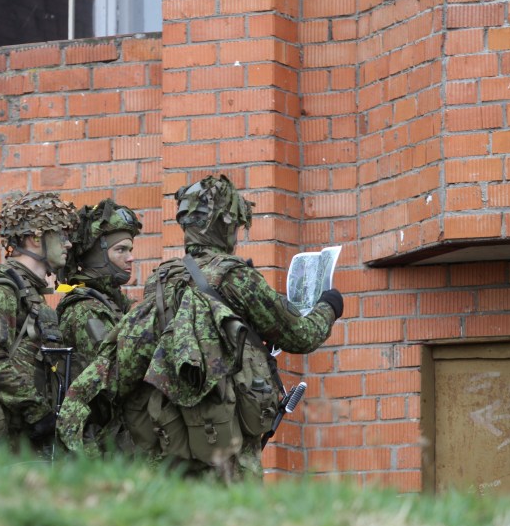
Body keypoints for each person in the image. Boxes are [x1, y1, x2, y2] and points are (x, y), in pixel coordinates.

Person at [59, 174, 343, 481]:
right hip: (229, 451)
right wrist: (329, 306)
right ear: (225, 224)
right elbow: (301, 336)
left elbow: (120, 359)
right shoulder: (236, 277)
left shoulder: (163, 279)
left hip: (174, 444)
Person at [0, 191, 78, 454]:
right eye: (61, 234)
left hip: (25, 431)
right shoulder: (1, 289)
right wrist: (36, 410)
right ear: (36, 238)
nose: (68, 244)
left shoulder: (29, 291)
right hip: (5, 436)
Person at [57, 199, 142, 375]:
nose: (130, 258)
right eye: (121, 250)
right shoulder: (85, 309)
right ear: (97, 256)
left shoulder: (108, 301)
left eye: (130, 250)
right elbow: (111, 376)